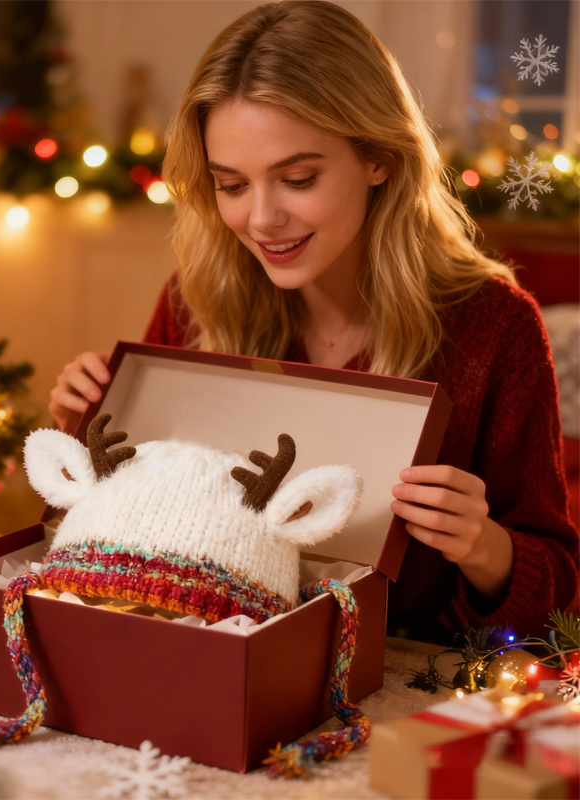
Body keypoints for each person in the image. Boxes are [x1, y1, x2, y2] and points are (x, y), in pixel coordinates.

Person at [48, 0, 578, 643]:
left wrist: (485, 547)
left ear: (379, 157)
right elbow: (117, 554)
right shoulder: (198, 298)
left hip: (400, 685)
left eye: (297, 178)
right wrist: (86, 442)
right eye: (232, 185)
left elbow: (556, 600)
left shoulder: (495, 327)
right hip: (204, 663)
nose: (262, 219)